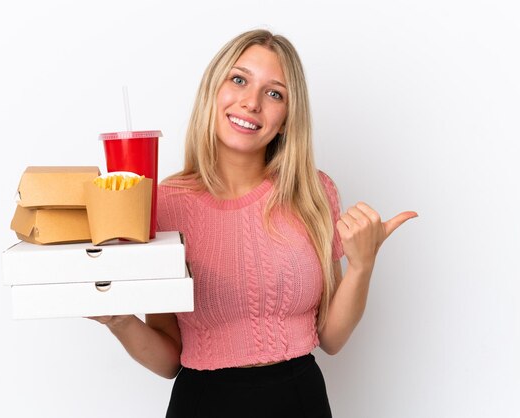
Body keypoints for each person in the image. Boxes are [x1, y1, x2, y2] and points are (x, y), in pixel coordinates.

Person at [92, 29, 417, 417]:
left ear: (285, 120)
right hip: (203, 404)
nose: (251, 103)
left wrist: (363, 266)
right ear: (213, 90)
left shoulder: (313, 192)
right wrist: (118, 320)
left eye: (274, 93)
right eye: (239, 79)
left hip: (300, 401)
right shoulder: (164, 205)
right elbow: (169, 359)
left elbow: (330, 338)